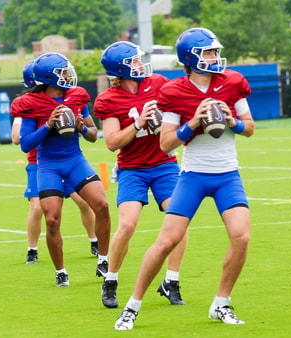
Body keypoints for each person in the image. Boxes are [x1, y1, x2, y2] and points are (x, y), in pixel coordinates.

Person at [114, 27, 255, 330]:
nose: (215, 57)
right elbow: (166, 143)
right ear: (191, 59)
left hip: (227, 174)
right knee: (167, 241)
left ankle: (221, 303)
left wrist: (230, 121)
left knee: (241, 236)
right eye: (208, 52)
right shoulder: (174, 91)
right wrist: (193, 122)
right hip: (192, 174)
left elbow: (250, 127)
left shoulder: (232, 82)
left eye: (215, 51)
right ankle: (132, 306)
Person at [94, 41, 189, 309]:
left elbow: (177, 111)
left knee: (179, 219)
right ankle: (110, 279)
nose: (139, 64)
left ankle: (171, 280)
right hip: (132, 168)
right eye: (133, 61)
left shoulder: (158, 83)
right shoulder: (109, 99)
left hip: (164, 164)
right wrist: (138, 123)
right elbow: (112, 142)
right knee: (127, 224)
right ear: (120, 69)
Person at [11, 53, 111, 286]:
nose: (68, 76)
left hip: (75, 159)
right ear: (49, 77)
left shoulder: (77, 96)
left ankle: (104, 259)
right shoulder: (30, 103)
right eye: (62, 72)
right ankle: (61, 271)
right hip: (48, 165)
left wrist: (82, 127)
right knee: (53, 219)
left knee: (102, 205)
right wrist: (47, 124)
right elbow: (25, 143)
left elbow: (94, 135)